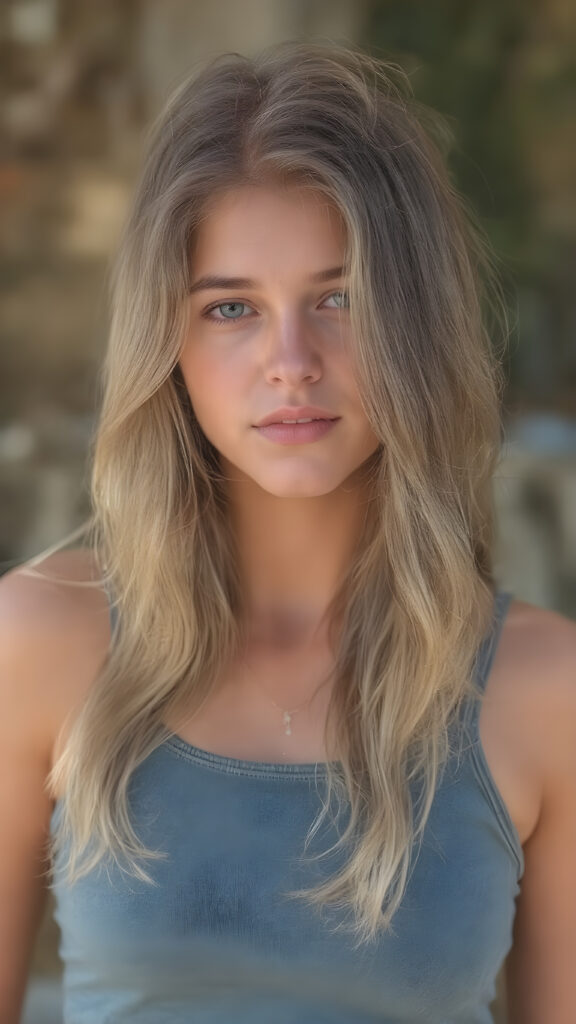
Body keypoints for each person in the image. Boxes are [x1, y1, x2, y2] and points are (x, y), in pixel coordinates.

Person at [0, 40, 575, 1024]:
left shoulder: (545, 692)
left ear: (418, 322)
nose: (291, 361)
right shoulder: (39, 642)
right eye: (231, 307)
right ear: (166, 340)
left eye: (340, 299)